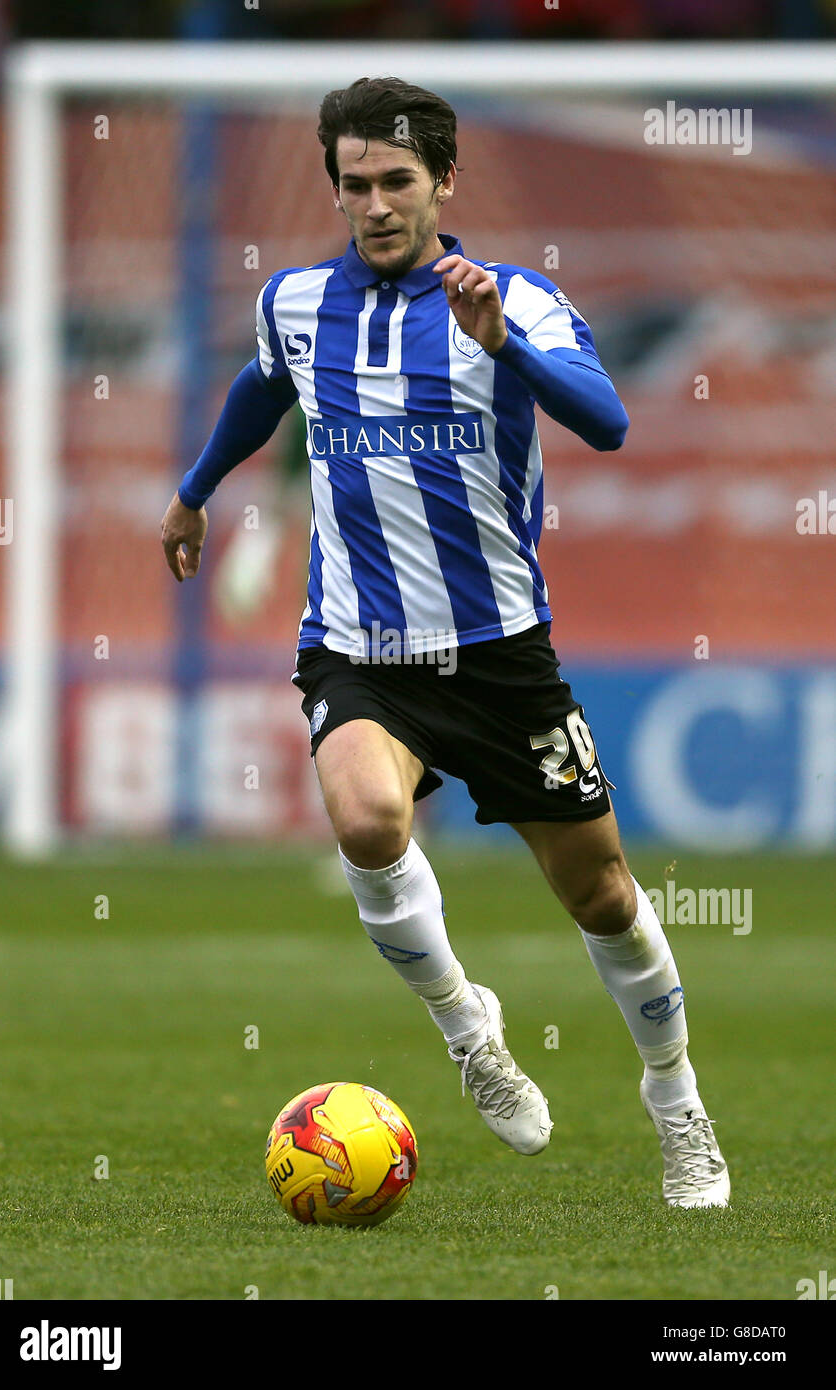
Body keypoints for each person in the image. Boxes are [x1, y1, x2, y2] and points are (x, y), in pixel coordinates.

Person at [161, 75, 729, 1208]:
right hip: (358, 648)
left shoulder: (515, 299)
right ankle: (470, 1030)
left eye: (396, 181)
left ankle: (676, 1100)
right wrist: (193, 492)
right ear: (335, 188)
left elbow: (607, 423)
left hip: (499, 654)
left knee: (602, 896)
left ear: (443, 181)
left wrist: (503, 344)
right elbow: (260, 390)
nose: (374, 205)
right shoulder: (294, 303)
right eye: (354, 184)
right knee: (368, 823)